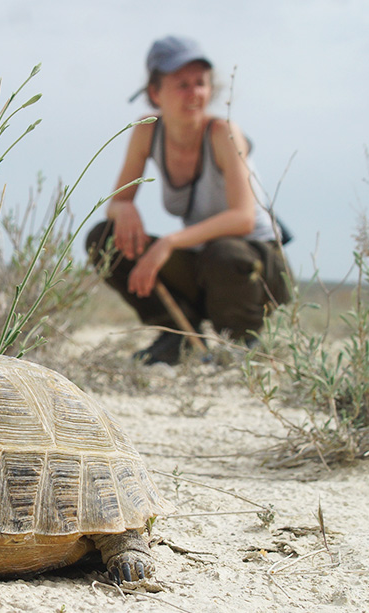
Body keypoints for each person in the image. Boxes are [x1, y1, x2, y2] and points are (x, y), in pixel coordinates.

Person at [86, 35, 292, 365]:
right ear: (155, 93)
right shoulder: (147, 132)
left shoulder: (222, 133)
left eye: (200, 83)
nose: (194, 93)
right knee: (104, 239)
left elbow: (243, 218)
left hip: (256, 265)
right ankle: (177, 334)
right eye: (182, 84)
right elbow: (116, 201)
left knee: (223, 253)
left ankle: (241, 343)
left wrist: (169, 243)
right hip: (203, 259)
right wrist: (124, 209)